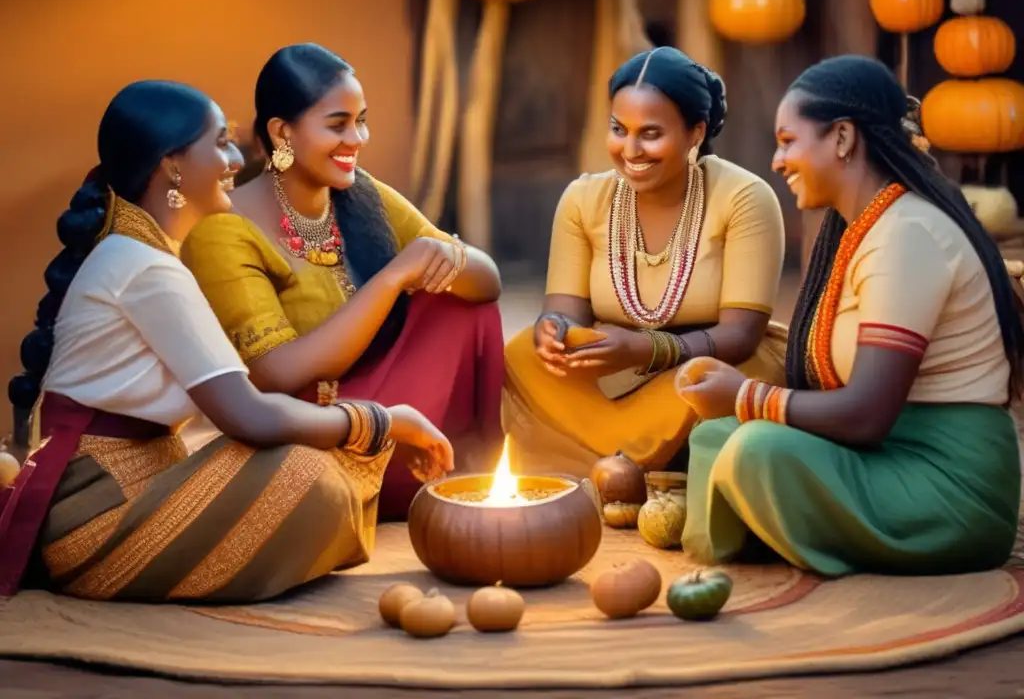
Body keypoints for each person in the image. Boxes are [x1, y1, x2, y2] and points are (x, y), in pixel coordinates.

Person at [0, 80, 454, 603]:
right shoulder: (144, 267)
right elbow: (250, 416)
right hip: (95, 521)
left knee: (311, 445)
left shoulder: (142, 254)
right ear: (173, 165)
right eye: (220, 143)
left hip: (125, 486)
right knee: (305, 473)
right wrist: (383, 420)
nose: (237, 158)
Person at [678, 55, 1023, 577]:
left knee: (756, 449)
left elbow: (866, 415)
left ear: (841, 138)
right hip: (886, 453)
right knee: (714, 437)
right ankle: (753, 541)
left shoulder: (908, 235)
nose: (777, 160)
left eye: (789, 141)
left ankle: (771, 532)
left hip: (948, 485)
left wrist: (746, 395)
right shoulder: (867, 226)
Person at [180, 44, 505, 521]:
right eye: (338, 125)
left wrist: (447, 256)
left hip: (390, 396)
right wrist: (395, 276)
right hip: (311, 429)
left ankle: (464, 469)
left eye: (362, 120)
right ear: (281, 132)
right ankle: (396, 484)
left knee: (461, 306)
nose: (357, 138)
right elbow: (276, 373)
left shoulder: (359, 196)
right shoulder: (224, 229)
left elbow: (488, 283)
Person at [503, 47, 788, 477]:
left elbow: (741, 335)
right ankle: (629, 463)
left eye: (651, 134)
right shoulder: (583, 199)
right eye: (619, 129)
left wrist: (646, 348)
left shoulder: (744, 198)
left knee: (707, 381)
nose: (630, 150)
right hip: (615, 369)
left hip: (708, 363)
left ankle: (606, 464)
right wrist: (556, 331)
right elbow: (566, 310)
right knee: (523, 353)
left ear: (696, 132)